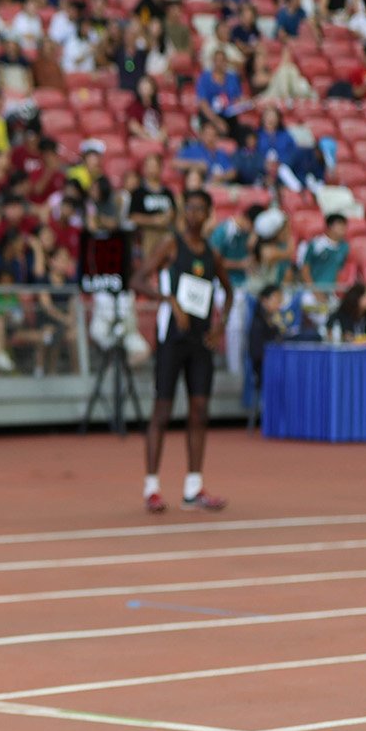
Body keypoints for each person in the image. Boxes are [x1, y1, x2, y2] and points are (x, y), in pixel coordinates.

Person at [135, 189, 231, 514]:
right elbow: (137, 279)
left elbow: (229, 292)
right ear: (182, 212)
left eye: (201, 209)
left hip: (200, 341)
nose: (194, 214)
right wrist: (168, 300)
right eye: (189, 208)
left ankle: (193, 486)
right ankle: (152, 486)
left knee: (199, 411)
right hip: (172, 338)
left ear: (208, 215)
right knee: (162, 411)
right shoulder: (171, 245)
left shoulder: (212, 254)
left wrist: (220, 326)